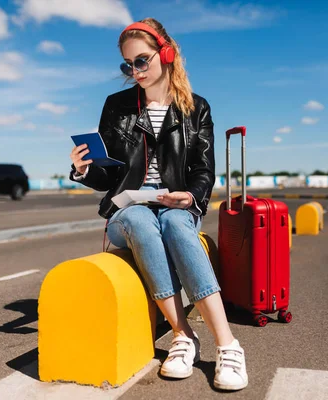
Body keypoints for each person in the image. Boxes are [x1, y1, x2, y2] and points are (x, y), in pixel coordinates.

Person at [68, 18, 248, 391]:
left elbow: (203, 170)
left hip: (174, 207)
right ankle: (183, 336)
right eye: (128, 65)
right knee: (139, 217)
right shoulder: (116, 107)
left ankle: (228, 345)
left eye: (142, 61)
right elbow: (107, 175)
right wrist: (84, 170)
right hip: (126, 212)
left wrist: (191, 196)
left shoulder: (196, 108)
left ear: (167, 54)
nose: (135, 71)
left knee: (175, 222)